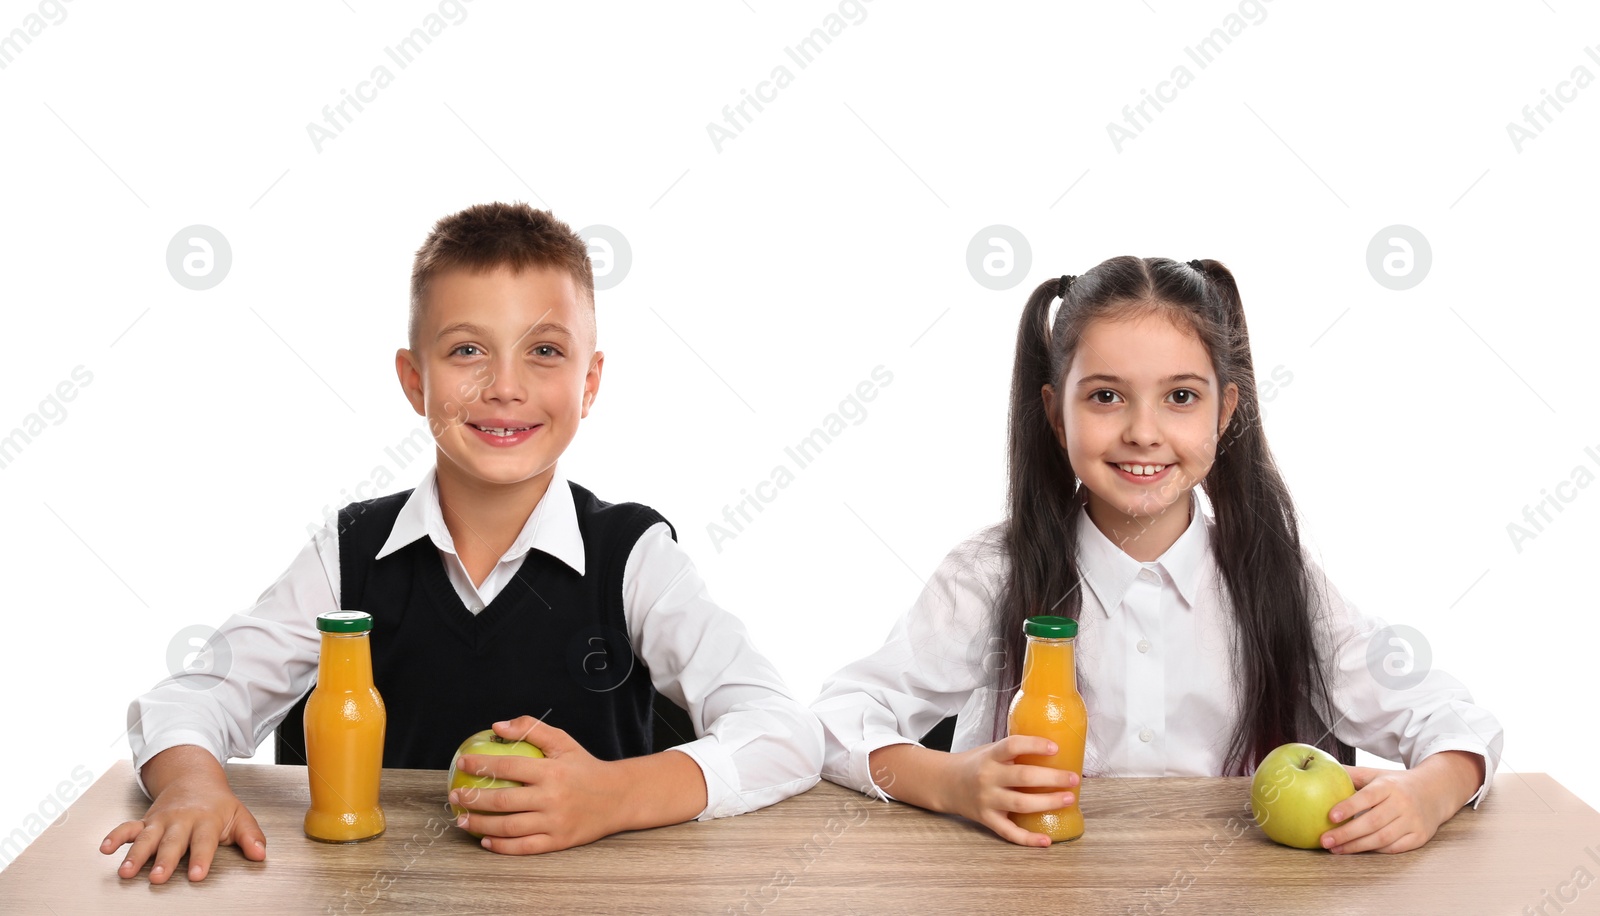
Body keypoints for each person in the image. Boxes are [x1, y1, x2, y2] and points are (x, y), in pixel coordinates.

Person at [102, 202, 822, 884]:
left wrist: (616, 795)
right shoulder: (351, 552)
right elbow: (193, 696)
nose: (504, 387)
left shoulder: (634, 555)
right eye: (468, 349)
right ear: (415, 381)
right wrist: (192, 784)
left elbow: (783, 733)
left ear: (591, 381)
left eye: (544, 350)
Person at [812, 257, 1502, 854]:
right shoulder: (991, 574)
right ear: (1056, 414)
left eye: (1180, 397)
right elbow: (839, 717)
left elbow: (1452, 718)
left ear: (1224, 412)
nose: (1144, 432)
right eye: (1107, 396)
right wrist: (951, 782)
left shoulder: (1276, 581)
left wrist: (1432, 792)